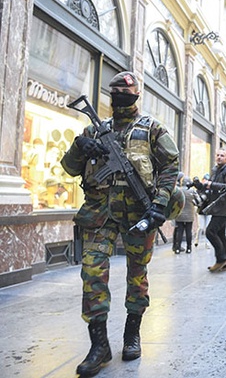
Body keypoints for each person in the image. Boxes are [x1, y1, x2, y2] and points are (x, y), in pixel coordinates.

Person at [61, 71, 181, 376]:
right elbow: (70, 167)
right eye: (115, 92)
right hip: (100, 213)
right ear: (109, 95)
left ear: (136, 96)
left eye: (126, 93)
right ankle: (99, 345)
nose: (120, 97)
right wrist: (80, 147)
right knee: (92, 272)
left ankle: (132, 334)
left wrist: (159, 203)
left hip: (139, 214)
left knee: (137, 275)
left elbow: (170, 167)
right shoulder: (93, 131)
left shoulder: (152, 129)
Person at [193, 148, 226, 272]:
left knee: (210, 232)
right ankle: (225, 262)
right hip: (217, 207)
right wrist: (200, 185)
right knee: (220, 234)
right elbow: (210, 186)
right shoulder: (216, 170)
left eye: (222, 156)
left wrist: (210, 184)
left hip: (224, 207)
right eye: (217, 155)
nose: (219, 157)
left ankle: (221, 259)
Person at [173, 174, 198, 254]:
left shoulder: (178, 190)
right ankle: (189, 248)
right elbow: (199, 201)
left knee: (179, 231)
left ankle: (177, 248)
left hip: (179, 213)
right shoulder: (192, 191)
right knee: (188, 231)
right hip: (190, 214)